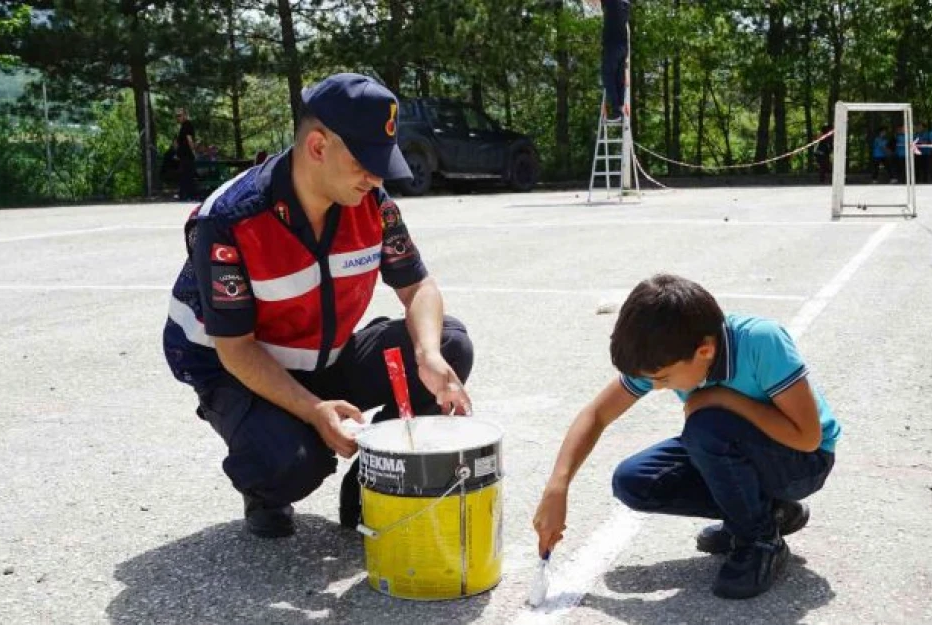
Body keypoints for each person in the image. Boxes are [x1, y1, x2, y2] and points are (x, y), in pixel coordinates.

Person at [162, 73, 474, 539]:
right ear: (317, 146)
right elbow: (235, 349)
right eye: (366, 162)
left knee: (451, 342)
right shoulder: (229, 220)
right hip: (240, 369)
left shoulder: (370, 201)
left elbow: (418, 287)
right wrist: (314, 411)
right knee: (289, 462)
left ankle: (377, 479)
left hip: (323, 352)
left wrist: (428, 354)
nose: (377, 176)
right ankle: (262, 479)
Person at [533, 274, 840, 599]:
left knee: (707, 427)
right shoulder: (668, 354)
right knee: (635, 481)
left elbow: (808, 437)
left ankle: (761, 539)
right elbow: (596, 415)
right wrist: (558, 486)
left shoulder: (761, 342)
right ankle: (765, 512)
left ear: (705, 350)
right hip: (735, 445)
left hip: (802, 462)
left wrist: (723, 397)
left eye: (663, 378)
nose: (657, 386)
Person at [599, 0, 631, 121]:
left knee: (608, 76)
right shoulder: (625, 5)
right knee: (619, 77)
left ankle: (616, 110)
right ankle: (620, 108)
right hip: (622, 45)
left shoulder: (613, 3)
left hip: (612, 45)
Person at [175, 108, 198, 200]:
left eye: (180, 115)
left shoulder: (187, 125)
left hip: (187, 155)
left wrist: (193, 150)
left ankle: (189, 195)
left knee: (188, 175)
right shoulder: (182, 126)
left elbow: (189, 139)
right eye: (177, 116)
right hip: (183, 155)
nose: (178, 118)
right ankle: (183, 195)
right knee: (184, 175)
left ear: (185, 115)